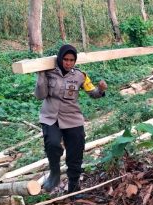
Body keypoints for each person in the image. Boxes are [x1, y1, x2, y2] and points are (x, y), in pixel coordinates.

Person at [34, 44, 107, 194]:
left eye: (72, 60)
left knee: (76, 149)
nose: (68, 63)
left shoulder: (80, 76)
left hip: (72, 116)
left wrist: (100, 90)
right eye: (65, 59)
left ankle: (74, 187)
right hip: (50, 116)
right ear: (60, 59)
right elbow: (40, 95)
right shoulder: (48, 73)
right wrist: (41, 76)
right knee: (53, 144)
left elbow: (92, 92)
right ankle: (54, 174)